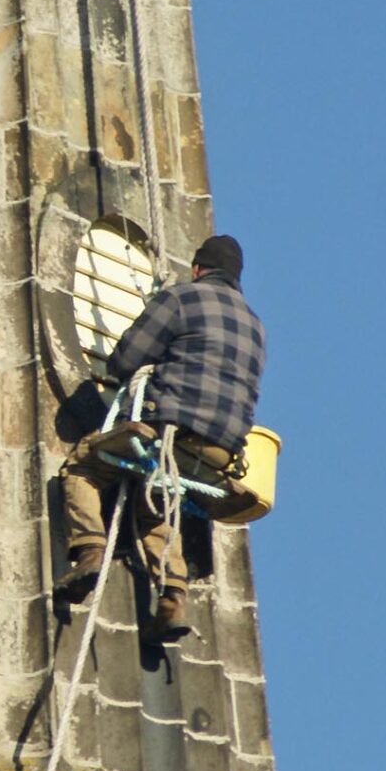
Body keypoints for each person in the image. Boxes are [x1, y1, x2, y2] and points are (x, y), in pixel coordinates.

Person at [57, 233, 265, 644]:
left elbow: (124, 360)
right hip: (220, 452)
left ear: (198, 269)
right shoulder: (256, 327)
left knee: (82, 465)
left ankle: (90, 552)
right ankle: (172, 600)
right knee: (157, 500)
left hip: (171, 430)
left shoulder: (182, 298)